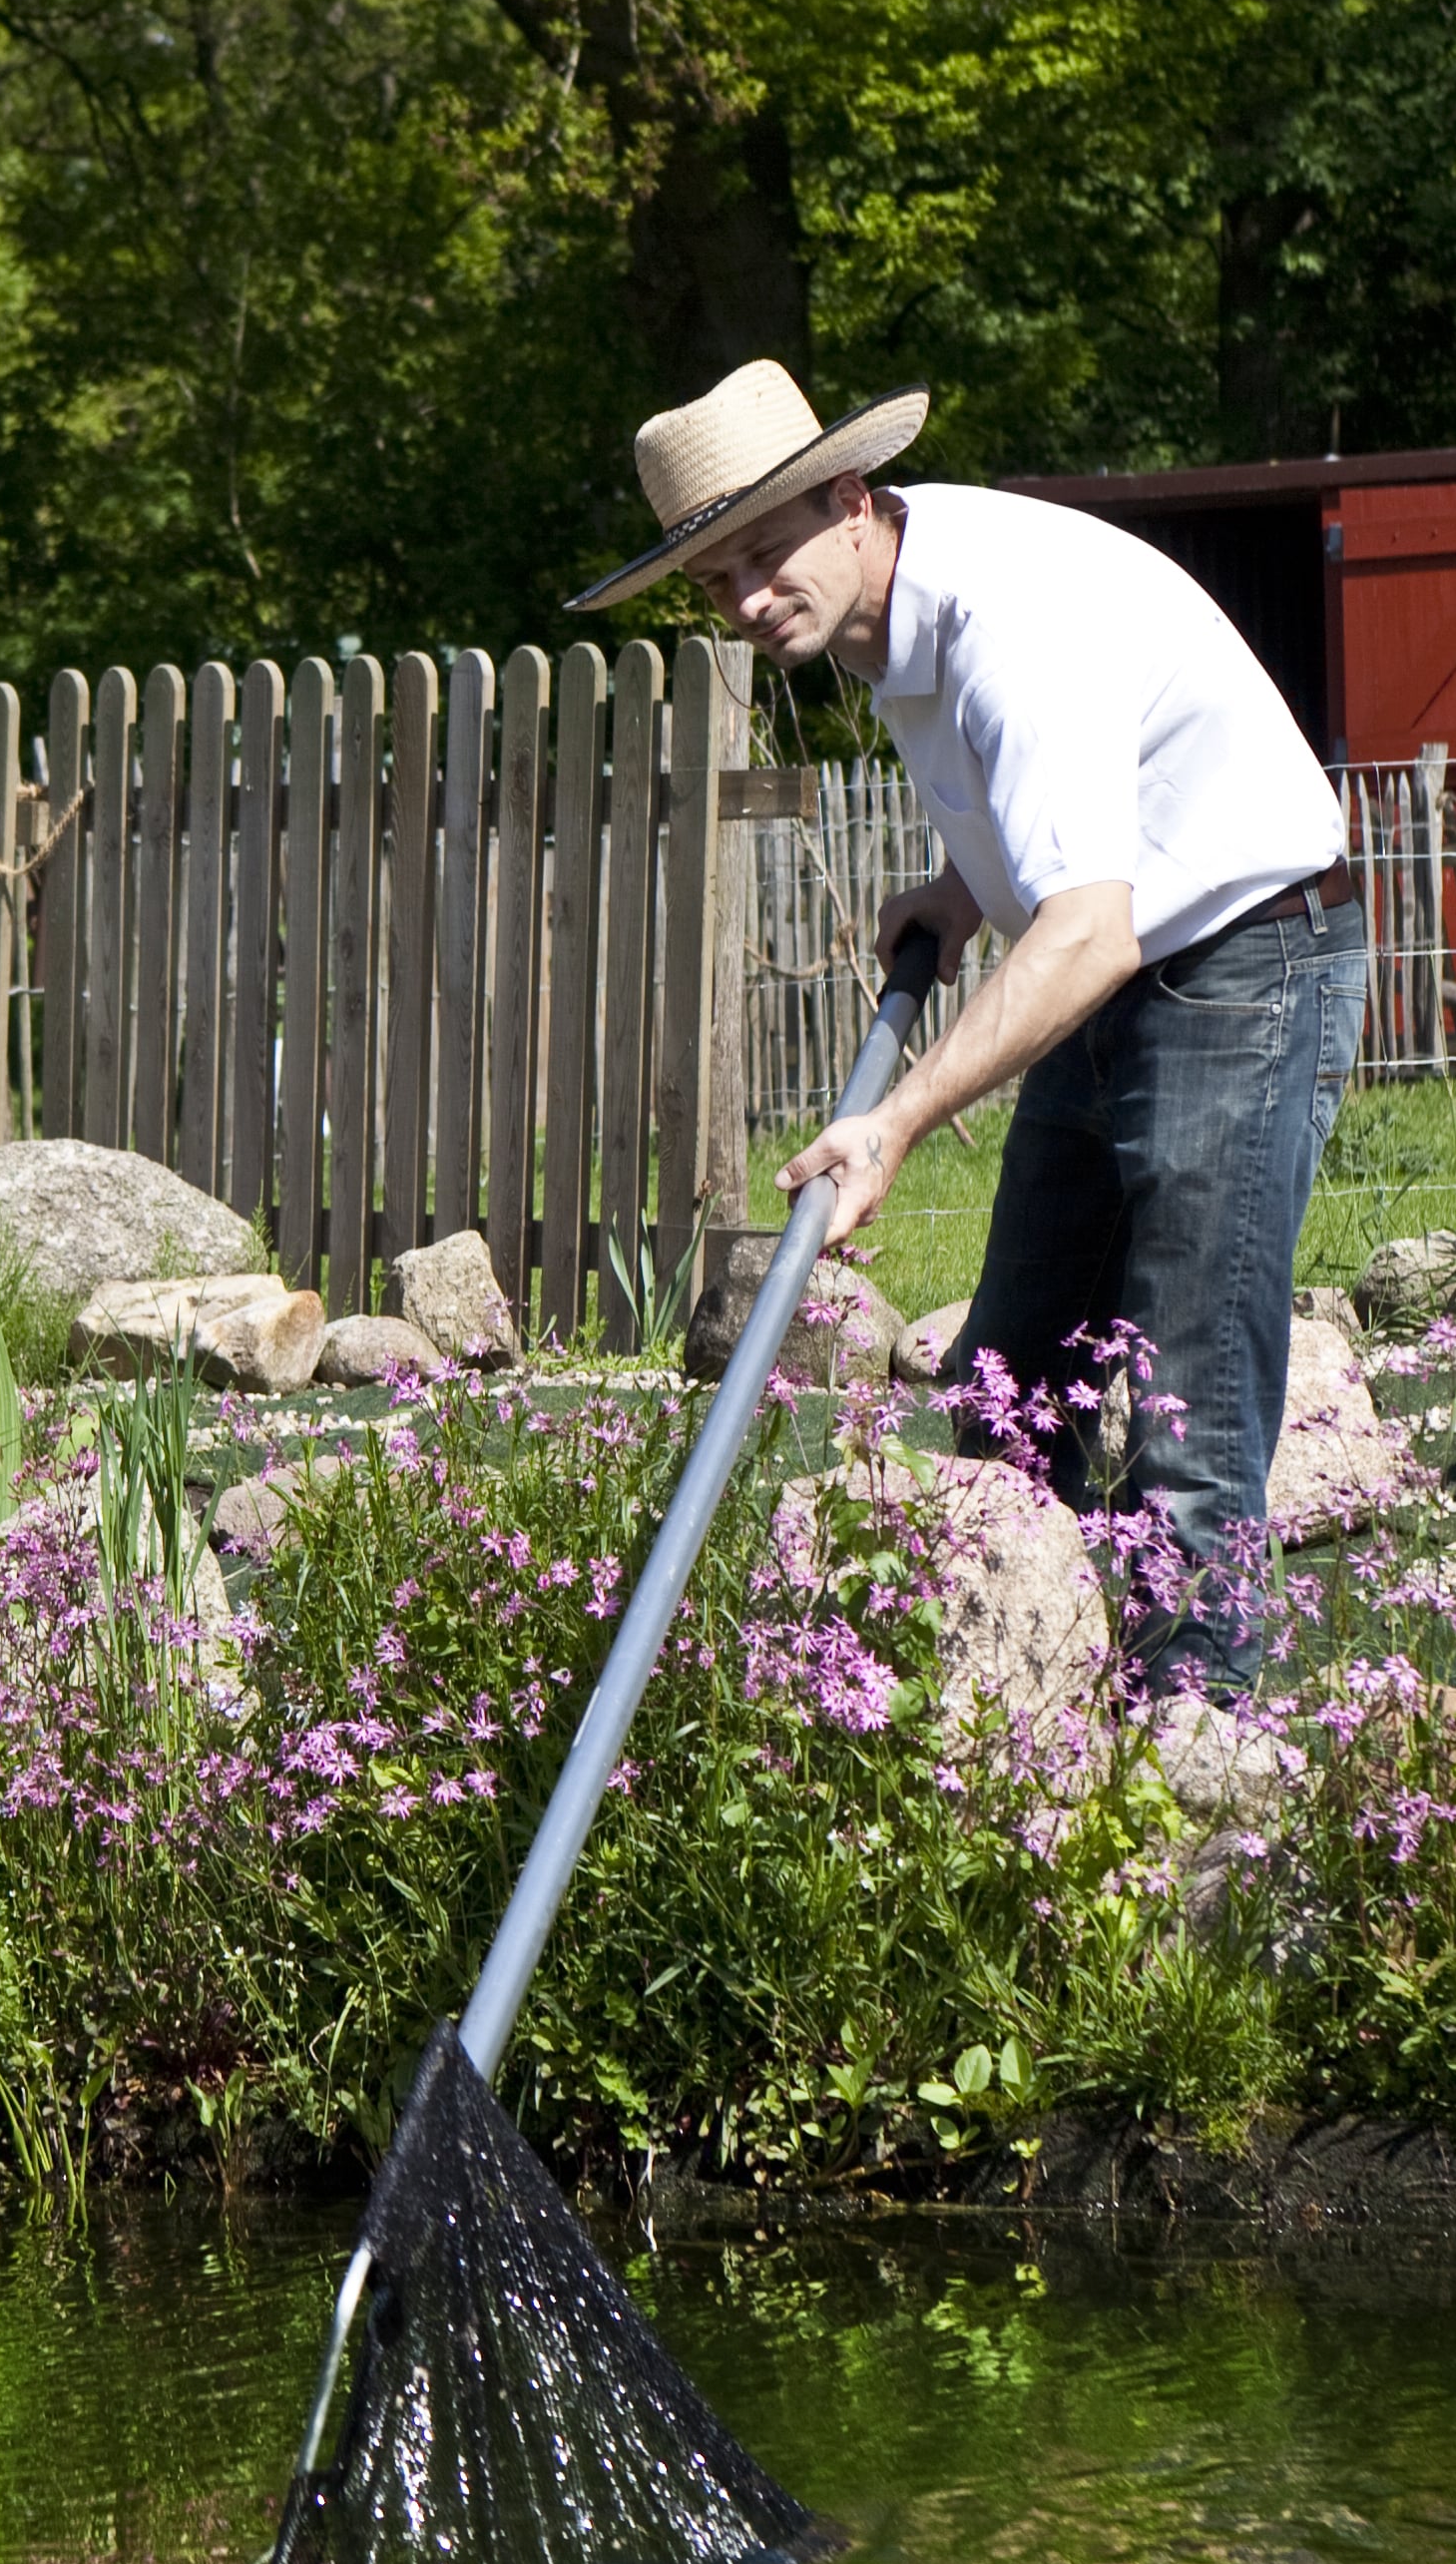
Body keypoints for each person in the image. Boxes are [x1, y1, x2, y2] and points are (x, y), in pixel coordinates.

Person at [572, 360, 1368, 1699]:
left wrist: (891, 1122)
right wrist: (959, 890)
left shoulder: (1009, 616)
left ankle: (1210, 1760)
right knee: (1011, 1382)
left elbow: (1090, 927)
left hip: (1239, 961)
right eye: (717, 582)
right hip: (1122, 962)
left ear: (849, 498)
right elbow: (1063, 823)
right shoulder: (888, 617)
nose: (752, 600)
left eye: (767, 555)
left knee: (1190, 1391)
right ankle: (1022, 1732)